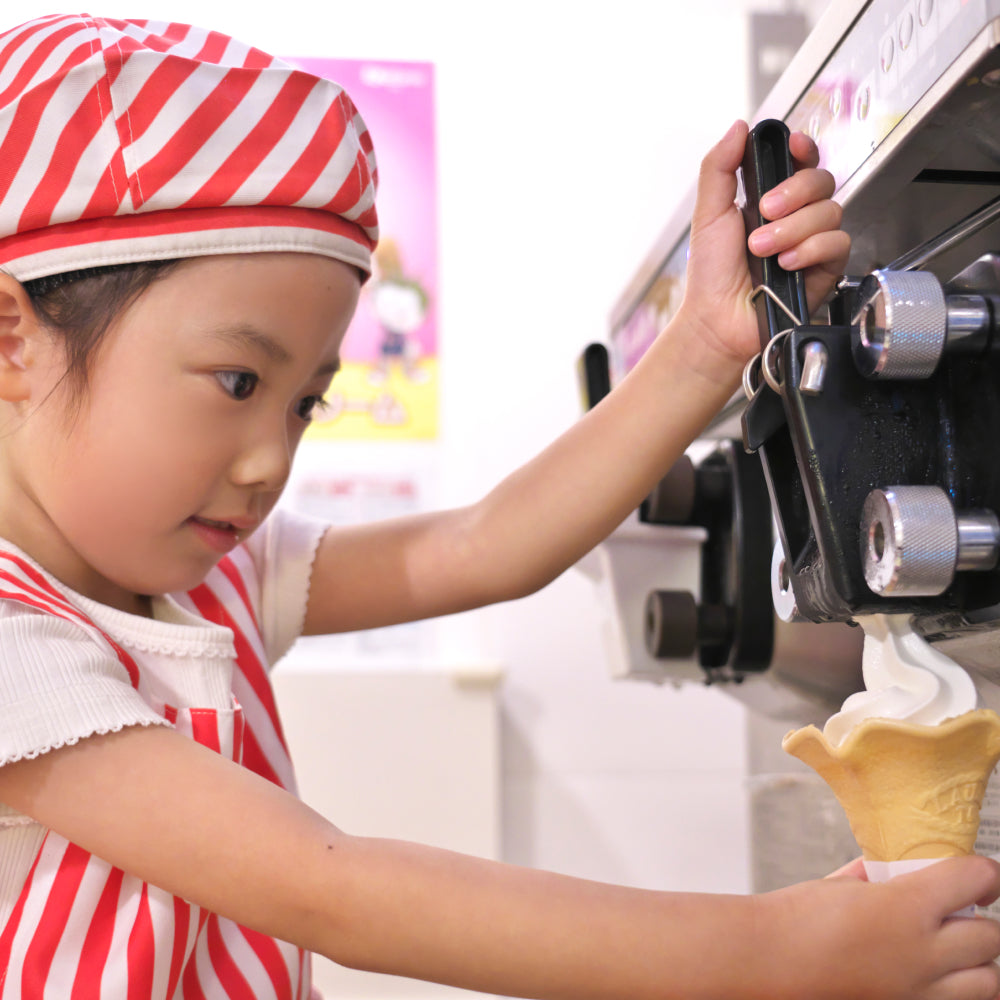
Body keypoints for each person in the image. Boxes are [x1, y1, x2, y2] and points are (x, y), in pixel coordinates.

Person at [0, 13, 997, 1000]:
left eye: (307, 402)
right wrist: (775, 952)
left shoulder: (207, 581)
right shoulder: (16, 646)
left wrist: (699, 348)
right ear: (14, 340)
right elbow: (328, 889)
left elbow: (484, 545)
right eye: (236, 382)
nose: (271, 461)